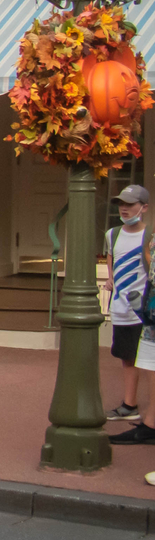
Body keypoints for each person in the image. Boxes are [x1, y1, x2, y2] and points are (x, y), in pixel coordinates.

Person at [105, 185, 152, 435]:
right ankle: (129, 404)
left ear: (143, 208)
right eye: (121, 203)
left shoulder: (150, 236)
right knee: (127, 357)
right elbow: (111, 260)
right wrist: (111, 280)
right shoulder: (112, 234)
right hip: (121, 307)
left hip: (143, 310)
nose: (124, 208)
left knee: (149, 361)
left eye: (131, 204)